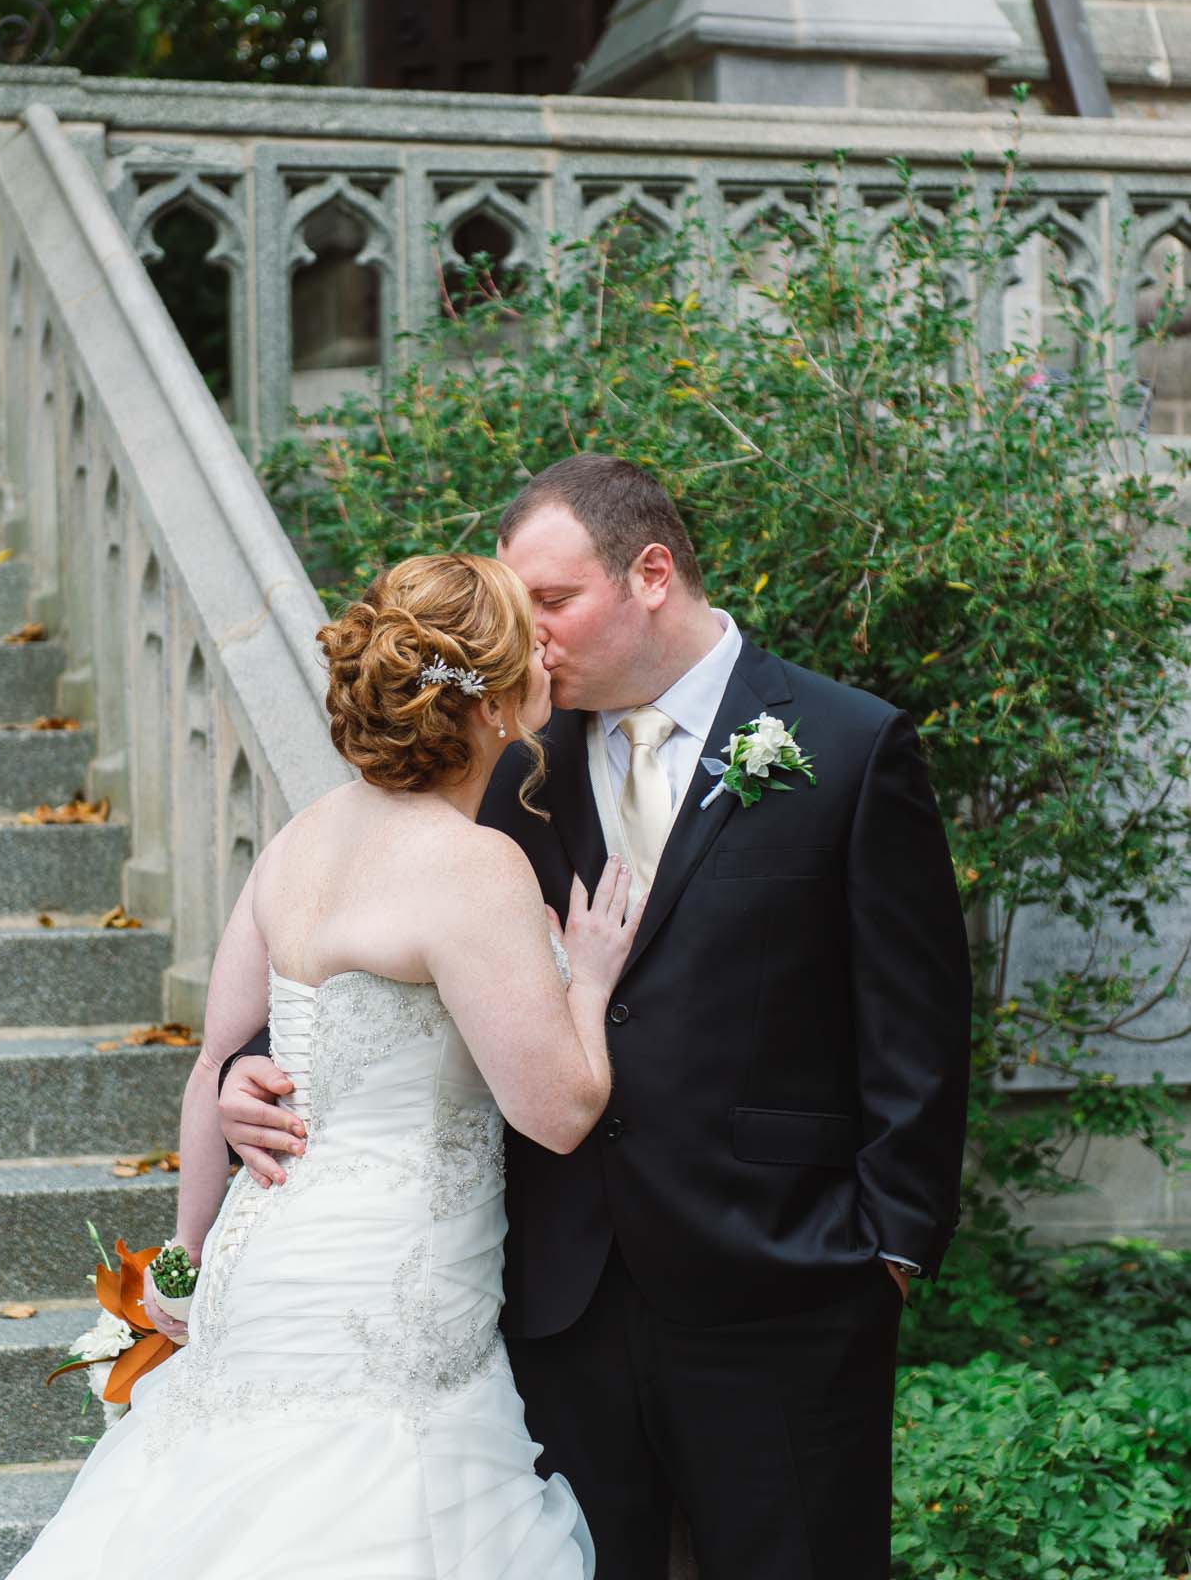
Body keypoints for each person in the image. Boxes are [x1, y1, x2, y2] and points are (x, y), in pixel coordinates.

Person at [222, 455, 973, 1580]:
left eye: (556, 604)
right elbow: (364, 929)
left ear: (652, 573)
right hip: (552, 1294)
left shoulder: (849, 745)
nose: (533, 643)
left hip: (781, 1291)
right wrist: (250, 1065)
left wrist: (887, 1252)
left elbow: (916, 1024)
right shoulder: (502, 756)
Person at [8, 552, 644, 1580]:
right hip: (392, 1296)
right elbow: (560, 1110)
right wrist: (590, 979)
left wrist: (184, 1257)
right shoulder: (474, 865)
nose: (551, 660)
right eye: (535, 645)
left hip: (261, 1269)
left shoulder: (298, 840)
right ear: (496, 706)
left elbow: (217, 1060)